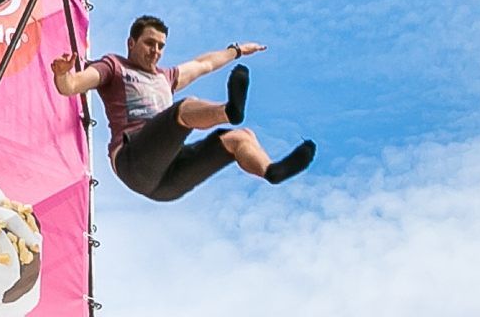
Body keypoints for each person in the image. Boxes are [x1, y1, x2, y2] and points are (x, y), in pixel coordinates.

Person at [53, 16, 316, 200]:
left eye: (160, 46)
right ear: (131, 43)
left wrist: (236, 50)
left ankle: (271, 171)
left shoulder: (165, 77)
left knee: (240, 138)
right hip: (133, 162)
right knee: (185, 110)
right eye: (149, 43)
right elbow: (72, 85)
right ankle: (229, 112)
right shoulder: (114, 66)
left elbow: (204, 64)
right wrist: (64, 75)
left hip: (167, 183)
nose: (155, 51)